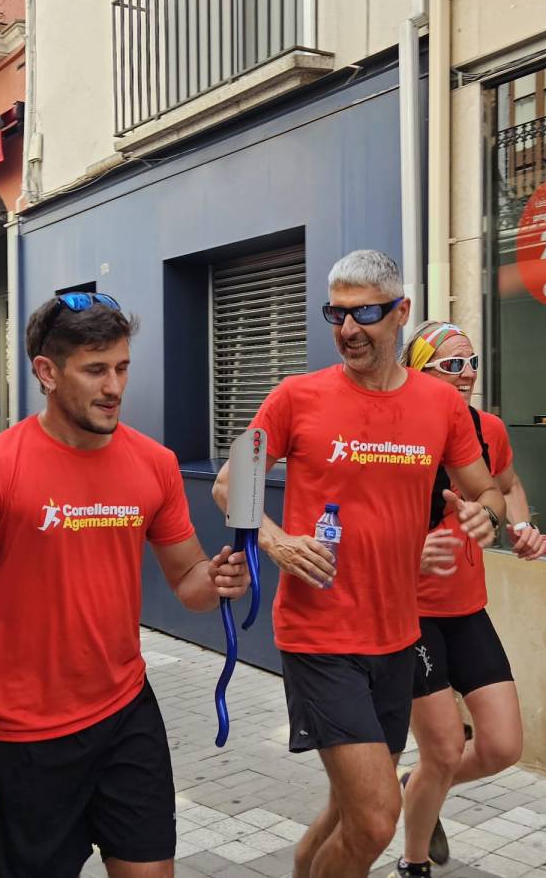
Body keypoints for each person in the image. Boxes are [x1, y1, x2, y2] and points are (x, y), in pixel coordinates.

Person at [0, 292, 250, 878]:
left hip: (123, 712)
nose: (114, 386)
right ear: (46, 372)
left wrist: (219, 577)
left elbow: (189, 583)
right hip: (18, 732)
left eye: (121, 368)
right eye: (95, 370)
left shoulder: (154, 464)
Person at [212, 251, 506, 878]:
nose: (348, 329)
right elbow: (230, 484)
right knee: (376, 818)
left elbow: (487, 488)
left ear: (401, 313)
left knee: (345, 817)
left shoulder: (441, 405)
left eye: (365, 313)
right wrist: (275, 540)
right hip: (320, 637)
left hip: (397, 639)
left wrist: (487, 513)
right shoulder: (297, 397)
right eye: (336, 314)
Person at [393, 321, 546, 876]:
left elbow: (507, 488)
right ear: (417, 370)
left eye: (472, 363)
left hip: (466, 607)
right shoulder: (401, 435)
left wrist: (523, 527)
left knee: (503, 745)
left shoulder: (488, 429)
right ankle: (413, 864)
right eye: (450, 364)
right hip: (410, 614)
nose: (466, 375)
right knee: (441, 748)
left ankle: (416, 787)